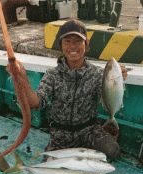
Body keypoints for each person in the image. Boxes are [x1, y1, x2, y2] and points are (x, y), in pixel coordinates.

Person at [24, 19, 128, 162]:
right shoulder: (52, 74)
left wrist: (118, 81)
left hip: (89, 131)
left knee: (113, 151)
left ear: (86, 44)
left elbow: (107, 104)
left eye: (78, 41)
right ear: (61, 44)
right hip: (60, 135)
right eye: (67, 41)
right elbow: (37, 103)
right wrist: (22, 80)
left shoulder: (97, 74)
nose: (73, 46)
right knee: (50, 169)